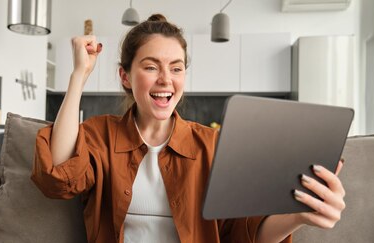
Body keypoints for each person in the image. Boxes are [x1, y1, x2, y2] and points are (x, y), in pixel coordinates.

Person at [32, 14, 346, 243]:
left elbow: (246, 235)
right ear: (125, 77)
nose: (166, 79)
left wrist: (300, 215)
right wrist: (79, 75)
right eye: (151, 66)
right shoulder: (99, 134)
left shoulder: (214, 146)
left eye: (176, 68)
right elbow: (57, 177)